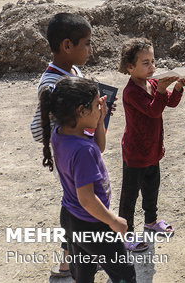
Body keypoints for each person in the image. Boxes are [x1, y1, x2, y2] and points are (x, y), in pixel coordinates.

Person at [39, 77, 136, 283]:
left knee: (83, 274)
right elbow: (87, 199)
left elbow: (99, 147)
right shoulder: (83, 150)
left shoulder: (61, 132)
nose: (99, 109)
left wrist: (100, 120)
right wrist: (113, 221)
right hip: (94, 224)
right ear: (81, 112)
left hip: (71, 217)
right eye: (95, 107)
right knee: (124, 274)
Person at [29, 12, 93, 278]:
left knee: (78, 206)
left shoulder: (72, 71)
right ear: (67, 46)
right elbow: (36, 129)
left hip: (80, 153)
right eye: (87, 44)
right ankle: (74, 262)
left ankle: (72, 261)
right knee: (77, 208)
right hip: (71, 157)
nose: (91, 49)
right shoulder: (52, 83)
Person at [117, 38, 185, 251]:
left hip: (153, 150)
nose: (152, 67)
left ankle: (150, 221)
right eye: (145, 63)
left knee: (151, 188)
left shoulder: (154, 83)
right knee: (129, 195)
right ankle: (125, 233)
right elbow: (153, 110)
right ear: (130, 68)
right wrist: (161, 91)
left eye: (153, 61)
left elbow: (171, 103)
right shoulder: (131, 92)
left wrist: (177, 86)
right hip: (135, 153)